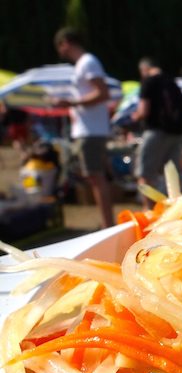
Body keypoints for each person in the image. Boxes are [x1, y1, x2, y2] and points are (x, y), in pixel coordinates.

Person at [52, 27, 114, 228]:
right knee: (95, 176)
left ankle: (107, 225)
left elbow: (103, 93)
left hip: (91, 130)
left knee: (96, 176)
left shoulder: (87, 62)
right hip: (89, 129)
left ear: (66, 43)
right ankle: (107, 223)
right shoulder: (85, 63)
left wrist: (71, 103)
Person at [131, 57, 182, 207]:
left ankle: (149, 210)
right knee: (173, 175)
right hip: (176, 134)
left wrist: (135, 116)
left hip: (155, 132)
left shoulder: (148, 82)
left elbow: (144, 111)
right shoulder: (172, 81)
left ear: (144, 69)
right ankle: (177, 209)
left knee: (145, 175)